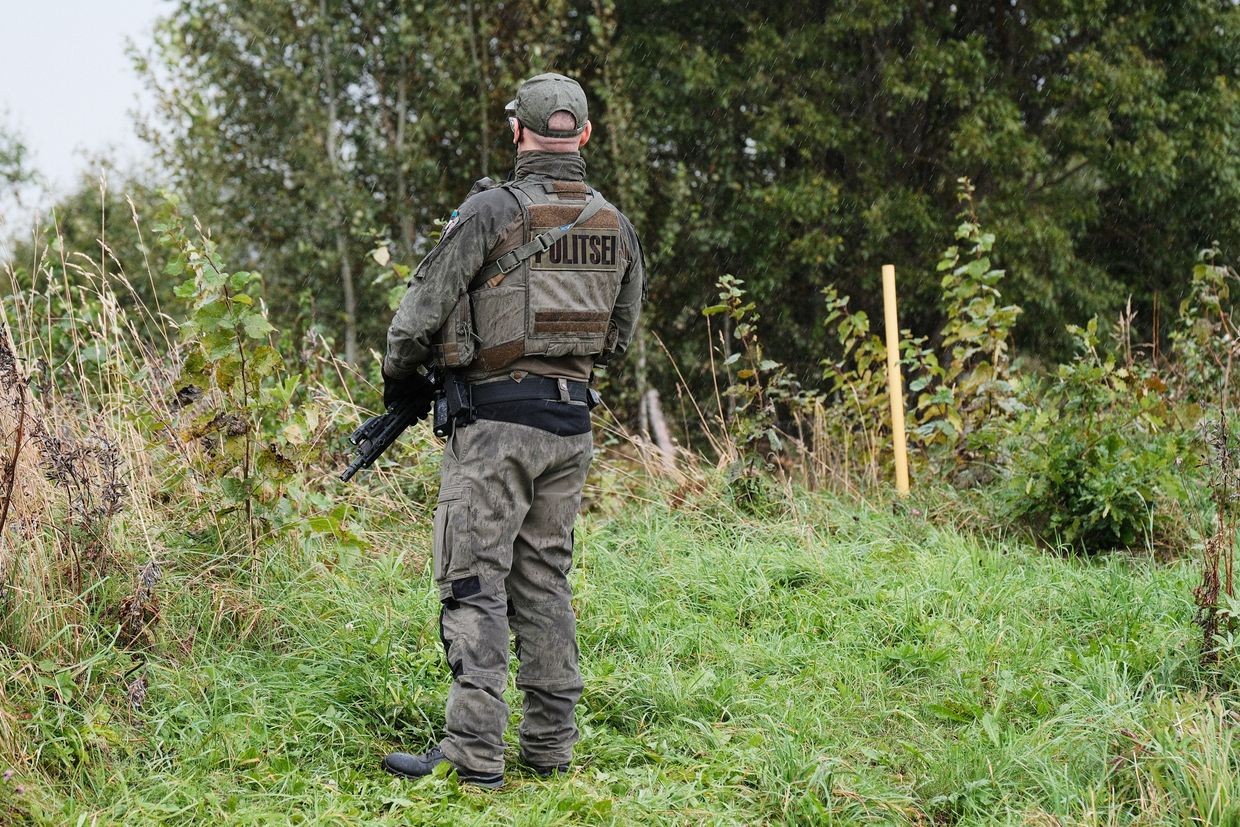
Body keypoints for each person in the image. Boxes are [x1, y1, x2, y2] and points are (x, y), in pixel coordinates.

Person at [379, 72, 645, 789]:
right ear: (584, 135)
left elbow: (417, 315)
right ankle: (551, 747)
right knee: (544, 581)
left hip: (495, 426)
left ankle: (473, 756)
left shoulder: (491, 211)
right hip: (571, 425)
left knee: (474, 582)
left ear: (517, 133)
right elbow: (618, 337)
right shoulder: (614, 224)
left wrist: (400, 377)